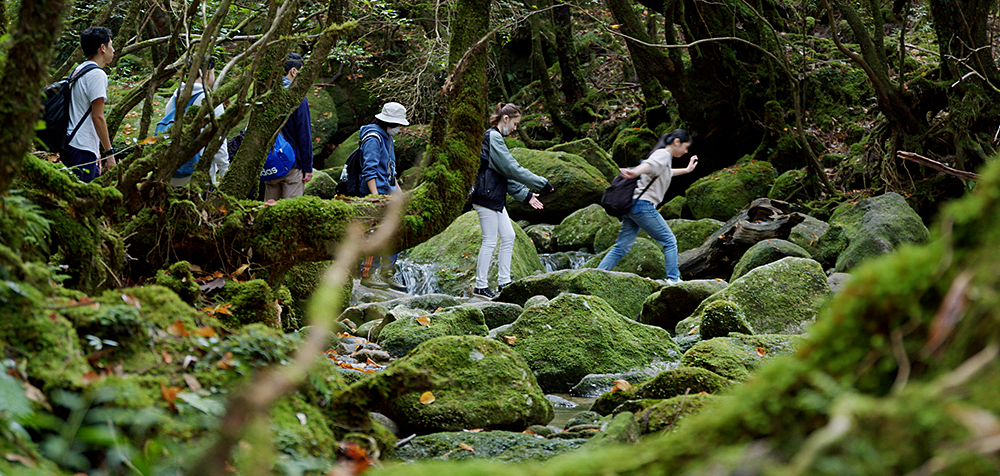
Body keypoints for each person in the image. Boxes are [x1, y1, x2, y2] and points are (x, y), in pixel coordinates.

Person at [469, 103, 554, 299]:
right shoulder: (493, 137)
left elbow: (503, 175)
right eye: (515, 123)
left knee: (508, 236)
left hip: (494, 196)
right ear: (505, 119)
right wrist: (541, 184)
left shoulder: (495, 138)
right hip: (486, 196)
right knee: (490, 240)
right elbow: (512, 169)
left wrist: (527, 195)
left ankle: (504, 282)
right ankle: (480, 286)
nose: (516, 128)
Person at [597, 129, 699, 285]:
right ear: (676, 142)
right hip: (643, 206)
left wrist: (687, 170)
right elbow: (649, 165)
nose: (686, 151)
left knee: (622, 246)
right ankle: (673, 279)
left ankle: (596, 274)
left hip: (632, 206)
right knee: (669, 241)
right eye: (685, 147)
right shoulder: (663, 154)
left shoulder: (664, 157)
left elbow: (665, 172)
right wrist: (635, 172)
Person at [357, 102, 409, 292]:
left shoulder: (387, 137)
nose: (400, 129)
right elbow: (369, 170)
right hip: (375, 194)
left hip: (388, 194)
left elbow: (389, 170)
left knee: (395, 232)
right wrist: (375, 198)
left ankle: (387, 273)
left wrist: (400, 195)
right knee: (375, 234)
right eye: (398, 125)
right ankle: (368, 274)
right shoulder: (373, 137)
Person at [165, 56, 229, 187]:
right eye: (212, 73)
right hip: (198, 176)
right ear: (206, 72)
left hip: (172, 172)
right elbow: (218, 141)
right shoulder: (210, 102)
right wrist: (224, 171)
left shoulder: (175, 98)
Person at [63, 26, 115, 183]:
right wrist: (109, 153)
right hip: (81, 148)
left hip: (71, 143)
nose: (114, 50)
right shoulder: (97, 74)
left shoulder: (79, 69)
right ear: (102, 48)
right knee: (81, 201)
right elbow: (97, 117)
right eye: (111, 45)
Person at [263, 53, 313, 200]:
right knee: (290, 211)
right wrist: (307, 167)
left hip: (270, 161)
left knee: (269, 209)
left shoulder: (268, 95)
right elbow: (304, 134)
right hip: (292, 162)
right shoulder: (297, 98)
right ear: (294, 71)